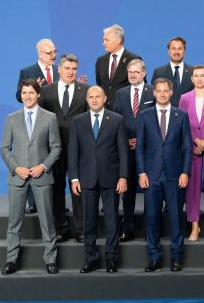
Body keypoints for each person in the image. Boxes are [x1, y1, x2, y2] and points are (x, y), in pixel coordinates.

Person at [0, 79, 61, 275]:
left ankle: (50, 259)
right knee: (14, 222)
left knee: (47, 220)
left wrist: (42, 166)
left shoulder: (49, 117)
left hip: (41, 177)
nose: (27, 96)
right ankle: (11, 260)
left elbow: (56, 147)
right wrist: (16, 168)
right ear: (21, 95)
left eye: (31, 93)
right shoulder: (12, 118)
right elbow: (4, 148)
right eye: (24, 93)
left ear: (38, 95)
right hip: (17, 178)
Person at [67, 86, 128, 273]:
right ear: (86, 99)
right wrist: (74, 178)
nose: (94, 100)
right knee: (89, 220)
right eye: (91, 97)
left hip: (111, 178)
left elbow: (123, 152)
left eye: (98, 97)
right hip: (86, 179)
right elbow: (73, 152)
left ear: (105, 98)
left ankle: (111, 258)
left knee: (111, 221)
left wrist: (123, 177)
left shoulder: (117, 120)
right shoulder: (78, 121)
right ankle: (91, 258)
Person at [136, 78, 192, 272]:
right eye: (158, 91)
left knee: (176, 217)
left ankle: (176, 257)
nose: (161, 94)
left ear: (170, 92)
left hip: (175, 175)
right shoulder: (144, 116)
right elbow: (140, 148)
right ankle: (154, 257)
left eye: (165, 91)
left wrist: (185, 172)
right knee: (151, 217)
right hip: (151, 176)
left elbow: (187, 148)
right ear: (154, 93)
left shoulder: (181, 116)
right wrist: (141, 171)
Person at [38, 53, 88, 243]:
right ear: (58, 69)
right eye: (67, 68)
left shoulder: (86, 90)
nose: (70, 72)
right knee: (56, 188)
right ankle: (59, 227)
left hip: (79, 149)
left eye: (74, 69)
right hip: (53, 149)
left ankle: (80, 228)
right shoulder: (46, 91)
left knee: (78, 188)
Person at [112, 59, 155, 241]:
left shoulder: (153, 92)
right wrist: (126, 140)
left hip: (149, 150)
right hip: (127, 150)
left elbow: (157, 120)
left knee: (150, 191)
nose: (133, 75)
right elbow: (116, 120)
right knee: (127, 192)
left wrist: (142, 141)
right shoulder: (121, 93)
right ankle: (127, 228)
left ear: (144, 74)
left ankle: (150, 229)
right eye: (130, 72)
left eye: (136, 72)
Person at [178, 65, 204, 242]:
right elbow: (181, 124)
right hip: (192, 150)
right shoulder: (184, 98)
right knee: (192, 190)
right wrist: (195, 141)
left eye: (202, 75)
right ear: (191, 78)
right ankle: (194, 226)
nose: (199, 78)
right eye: (196, 76)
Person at [16, 39, 57, 213]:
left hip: (55, 122)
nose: (53, 55)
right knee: (33, 159)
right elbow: (19, 96)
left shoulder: (58, 70)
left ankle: (55, 201)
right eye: (49, 53)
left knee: (52, 160)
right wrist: (34, 90)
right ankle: (33, 203)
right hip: (35, 122)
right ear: (40, 54)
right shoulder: (27, 71)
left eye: (55, 52)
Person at [95, 24, 142, 110]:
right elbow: (99, 85)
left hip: (125, 110)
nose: (103, 43)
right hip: (105, 112)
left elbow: (140, 87)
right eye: (103, 40)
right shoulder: (100, 61)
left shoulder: (133, 59)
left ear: (118, 40)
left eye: (107, 40)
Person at [151, 36, 194, 107]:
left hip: (188, 115)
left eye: (180, 49)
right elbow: (154, 97)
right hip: (167, 115)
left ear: (184, 51)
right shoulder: (159, 72)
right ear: (168, 51)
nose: (176, 52)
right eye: (173, 49)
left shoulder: (192, 72)